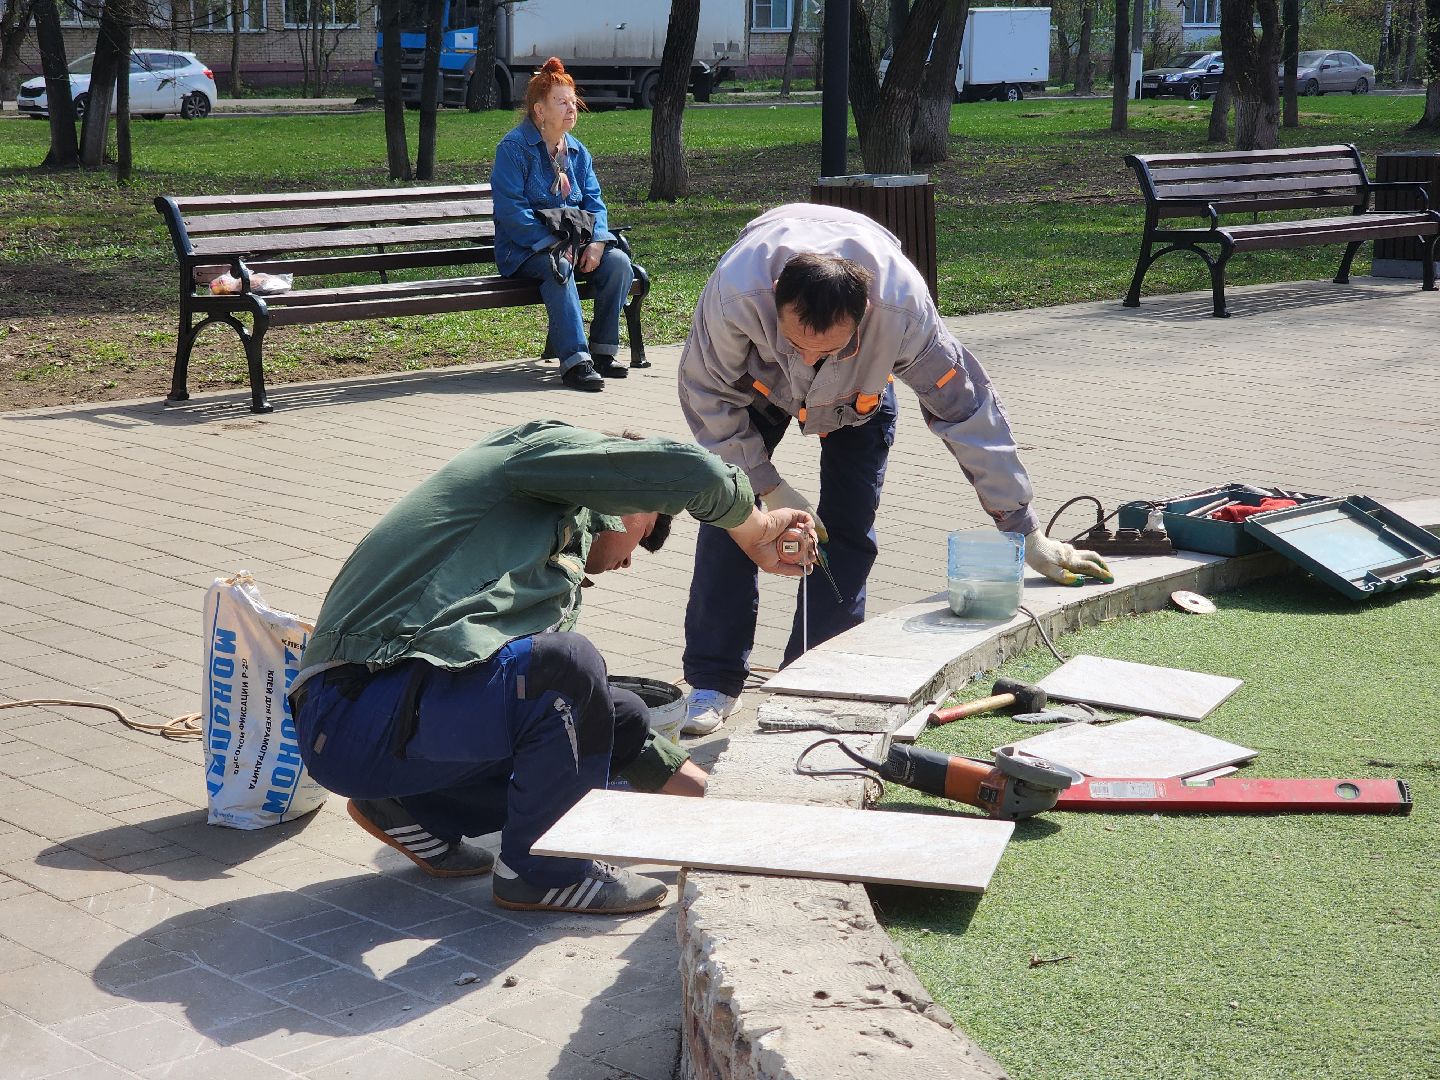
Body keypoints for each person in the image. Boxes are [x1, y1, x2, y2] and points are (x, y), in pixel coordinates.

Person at [287, 421, 815, 916]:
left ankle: (413, 811)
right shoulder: (533, 456)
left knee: (610, 704)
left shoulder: (550, 547)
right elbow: (692, 470)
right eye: (650, 530)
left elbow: (595, 719)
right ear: (631, 499)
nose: (632, 559)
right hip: (350, 709)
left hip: (383, 724)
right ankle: (545, 873)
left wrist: (731, 810)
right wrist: (757, 527)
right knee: (567, 665)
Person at [675, 203, 1111, 735]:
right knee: (730, 516)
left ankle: (813, 676)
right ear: (774, 304)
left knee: (847, 530)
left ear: (864, 318)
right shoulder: (735, 295)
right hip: (757, 391)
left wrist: (1025, 529)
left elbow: (969, 412)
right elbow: (706, 396)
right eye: (796, 343)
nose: (811, 359)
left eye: (828, 348)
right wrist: (767, 487)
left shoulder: (903, 312)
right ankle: (712, 682)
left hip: (858, 400)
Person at [492, 57, 636, 393]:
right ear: (540, 111)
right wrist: (555, 245)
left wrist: (598, 242)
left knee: (619, 264)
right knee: (558, 266)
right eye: (562, 102)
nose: (571, 109)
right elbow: (512, 211)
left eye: (573, 102)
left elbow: (594, 202)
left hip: (574, 243)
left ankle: (601, 353)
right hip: (526, 250)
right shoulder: (513, 149)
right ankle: (574, 363)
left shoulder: (578, 152)